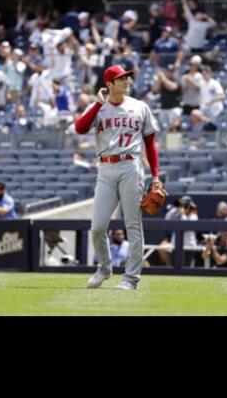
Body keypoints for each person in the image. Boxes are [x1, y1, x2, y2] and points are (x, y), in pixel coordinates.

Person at [74, 64, 162, 290]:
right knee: (97, 226)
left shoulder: (140, 106)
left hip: (131, 165)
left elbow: (150, 144)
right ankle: (104, 268)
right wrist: (96, 104)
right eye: (122, 78)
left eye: (127, 78)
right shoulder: (99, 107)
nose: (127, 81)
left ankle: (131, 278)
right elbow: (80, 128)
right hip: (105, 168)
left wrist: (156, 176)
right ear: (109, 84)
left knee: (132, 224)